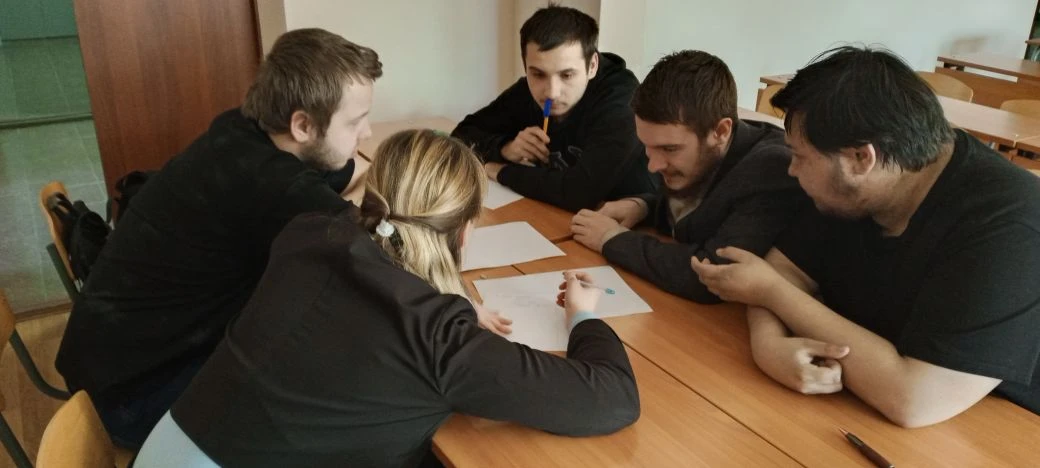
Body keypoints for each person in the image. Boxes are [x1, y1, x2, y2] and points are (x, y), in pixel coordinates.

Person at [134, 129, 641, 467]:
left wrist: (460, 303)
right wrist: (583, 317)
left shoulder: (309, 235)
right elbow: (612, 397)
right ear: (464, 231)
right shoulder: (439, 339)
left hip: (164, 450)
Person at [54, 28, 383, 447]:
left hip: (111, 359)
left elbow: (329, 174)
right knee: (331, 387)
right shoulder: (269, 185)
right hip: (132, 396)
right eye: (355, 121)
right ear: (302, 125)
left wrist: (364, 174)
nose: (367, 132)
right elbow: (376, 262)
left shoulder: (240, 130)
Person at [691, 46, 1040, 427]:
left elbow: (915, 400)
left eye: (800, 156)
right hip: (865, 401)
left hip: (999, 422)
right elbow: (781, 270)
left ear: (861, 159)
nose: (791, 170)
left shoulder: (1009, 224)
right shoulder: (856, 186)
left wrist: (771, 294)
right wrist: (769, 343)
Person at [570, 50, 807, 303]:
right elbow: (697, 216)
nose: (653, 166)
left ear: (721, 131)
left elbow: (712, 274)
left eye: (669, 149)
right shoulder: (704, 151)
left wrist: (611, 238)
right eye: (647, 146)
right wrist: (642, 207)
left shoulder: (771, 170)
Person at [451, 4, 657, 211]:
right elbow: (461, 135)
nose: (552, 92)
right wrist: (505, 148)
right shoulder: (525, 91)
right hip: (554, 213)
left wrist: (501, 171)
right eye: (538, 74)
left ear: (592, 65)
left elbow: (581, 192)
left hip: (632, 220)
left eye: (567, 75)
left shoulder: (622, 99)